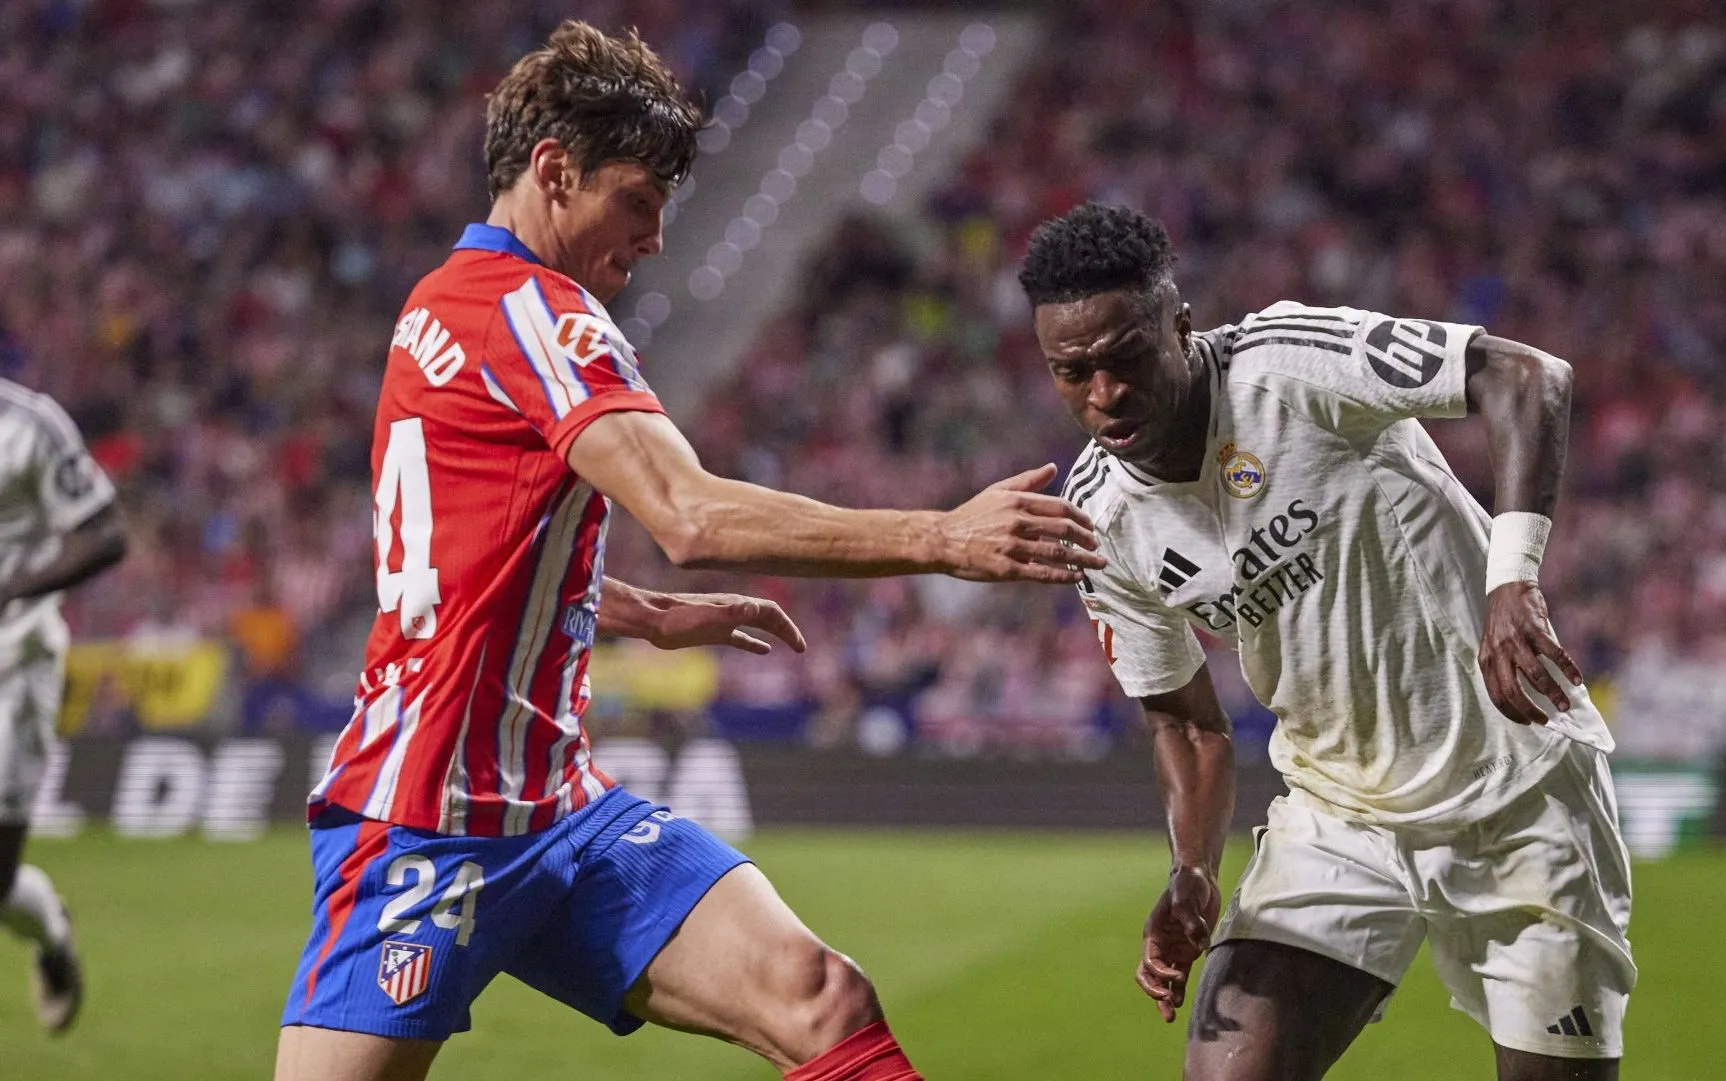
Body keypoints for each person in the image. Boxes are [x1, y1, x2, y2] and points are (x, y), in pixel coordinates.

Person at [274, 21, 1103, 1081]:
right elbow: (690, 516)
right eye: (639, 199)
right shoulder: (538, 313)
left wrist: (636, 612)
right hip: (423, 818)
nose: (657, 235)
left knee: (820, 996)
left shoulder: (441, 306)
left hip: (560, 808)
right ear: (554, 171)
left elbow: (452, 557)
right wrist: (942, 536)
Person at [1022, 202, 1633, 1081]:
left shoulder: (1289, 364)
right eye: (1072, 371)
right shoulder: (1098, 517)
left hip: (1519, 788)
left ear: (1180, 327)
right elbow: (1187, 726)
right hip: (1340, 810)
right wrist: (1192, 869)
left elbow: (1529, 378)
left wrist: (1512, 576)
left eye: (1126, 358)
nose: (1104, 393)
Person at [0, 376, 128, 1033]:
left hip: (13, 671)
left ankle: (52, 930)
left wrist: (15, 585)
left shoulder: (31, 426)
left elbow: (106, 534)